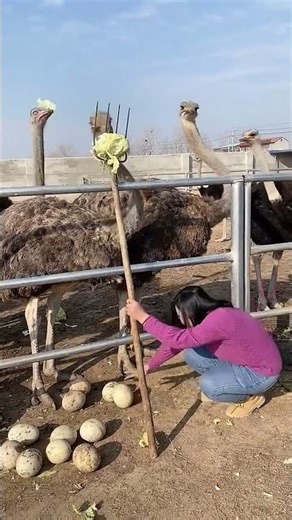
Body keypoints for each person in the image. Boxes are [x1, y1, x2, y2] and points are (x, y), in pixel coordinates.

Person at [125, 286, 282, 419]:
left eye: (181, 315)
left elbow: (178, 339)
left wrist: (143, 318)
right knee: (192, 353)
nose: (180, 320)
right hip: (248, 362)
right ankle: (228, 385)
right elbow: (178, 342)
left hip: (263, 372)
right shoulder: (213, 315)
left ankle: (249, 398)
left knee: (209, 385)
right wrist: (149, 366)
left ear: (191, 310)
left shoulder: (218, 321)